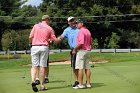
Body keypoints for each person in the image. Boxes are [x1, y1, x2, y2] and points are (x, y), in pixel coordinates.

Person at [29, 15, 58, 92]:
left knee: (34, 66)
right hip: (44, 47)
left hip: (34, 46)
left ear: (42, 20)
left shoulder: (35, 26)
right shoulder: (49, 28)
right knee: (42, 67)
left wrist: (31, 43)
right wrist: (60, 38)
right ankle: (42, 85)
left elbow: (30, 37)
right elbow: (54, 39)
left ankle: (33, 81)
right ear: (47, 20)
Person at [57, 16, 79, 87]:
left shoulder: (79, 29)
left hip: (80, 49)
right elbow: (61, 37)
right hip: (73, 50)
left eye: (73, 20)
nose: (72, 22)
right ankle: (77, 81)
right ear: (68, 22)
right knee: (74, 66)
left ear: (75, 21)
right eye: (71, 21)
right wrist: (55, 39)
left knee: (82, 66)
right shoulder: (67, 30)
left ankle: (83, 82)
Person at [72, 19, 92, 89]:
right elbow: (90, 42)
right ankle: (88, 84)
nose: (76, 24)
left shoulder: (81, 31)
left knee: (80, 68)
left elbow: (81, 43)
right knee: (87, 68)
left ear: (82, 23)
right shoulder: (88, 31)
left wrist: (75, 49)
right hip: (88, 50)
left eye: (77, 23)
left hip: (82, 51)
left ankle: (80, 84)